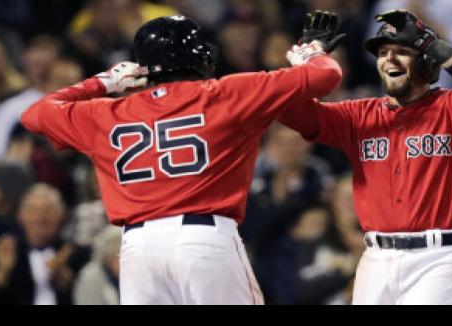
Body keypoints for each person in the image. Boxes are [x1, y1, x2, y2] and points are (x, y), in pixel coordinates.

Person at [20, 14, 342, 305]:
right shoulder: (227, 92)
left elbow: (35, 115)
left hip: (137, 249)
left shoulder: (106, 113)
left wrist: (103, 82)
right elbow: (326, 75)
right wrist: (310, 52)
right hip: (204, 239)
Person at [279, 9, 452, 304]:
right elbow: (287, 110)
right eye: (383, 53)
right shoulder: (358, 116)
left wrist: (430, 44)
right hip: (376, 258)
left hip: (441, 258)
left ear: (427, 63)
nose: (389, 59)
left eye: (402, 52)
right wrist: (306, 64)